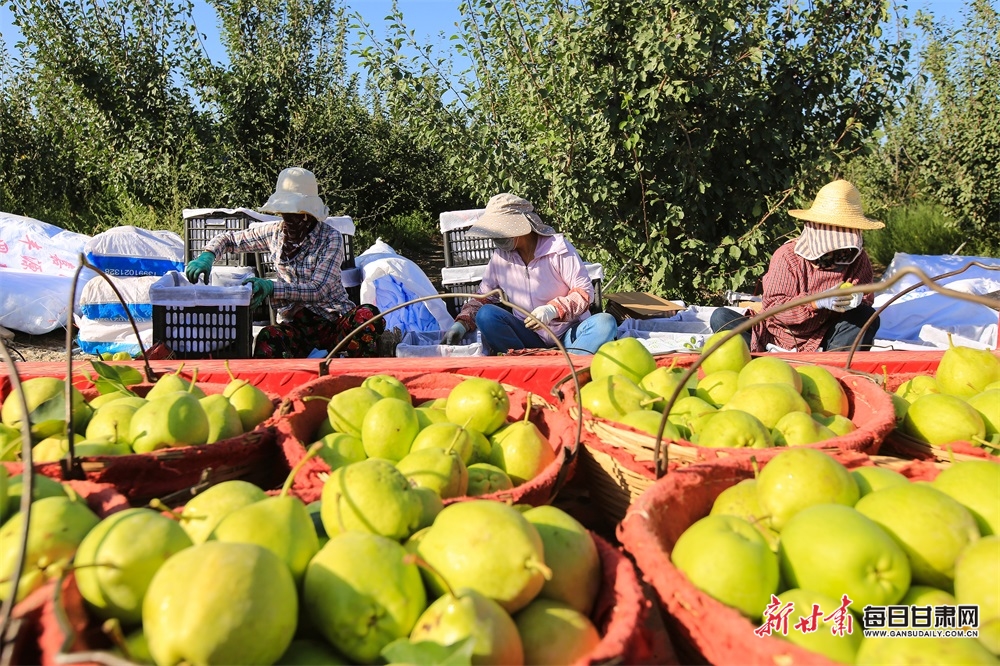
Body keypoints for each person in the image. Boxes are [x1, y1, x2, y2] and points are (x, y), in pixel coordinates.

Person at [184, 167, 384, 358]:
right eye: (285, 215)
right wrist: (208, 255)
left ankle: (349, 366)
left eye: (296, 216)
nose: (289, 222)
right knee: (269, 337)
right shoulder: (275, 233)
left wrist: (272, 288)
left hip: (333, 323)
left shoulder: (330, 238)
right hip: (296, 328)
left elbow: (318, 289)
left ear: (309, 215)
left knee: (367, 316)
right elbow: (230, 240)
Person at [710, 179, 884, 353]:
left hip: (823, 336)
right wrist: (816, 302)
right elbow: (774, 308)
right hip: (775, 334)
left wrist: (855, 299)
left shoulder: (857, 258)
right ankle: (763, 354)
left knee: (866, 317)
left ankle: (832, 361)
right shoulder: (787, 256)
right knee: (721, 317)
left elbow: (866, 297)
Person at [442, 193, 618, 355]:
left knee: (605, 323)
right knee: (486, 315)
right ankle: (526, 361)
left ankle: (565, 367)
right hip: (528, 336)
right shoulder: (501, 257)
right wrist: (462, 323)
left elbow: (585, 292)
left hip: (568, 334)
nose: (496, 237)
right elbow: (483, 297)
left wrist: (553, 310)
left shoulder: (557, 249)